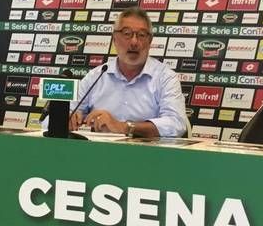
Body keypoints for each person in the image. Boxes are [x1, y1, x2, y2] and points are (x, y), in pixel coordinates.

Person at [68, 7, 187, 138]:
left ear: (150, 41)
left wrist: (124, 127)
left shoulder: (165, 78)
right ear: (114, 39)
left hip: (147, 150)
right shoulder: (96, 77)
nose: (134, 42)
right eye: (127, 34)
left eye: (141, 35)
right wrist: (70, 117)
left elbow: (176, 124)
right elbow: (65, 114)